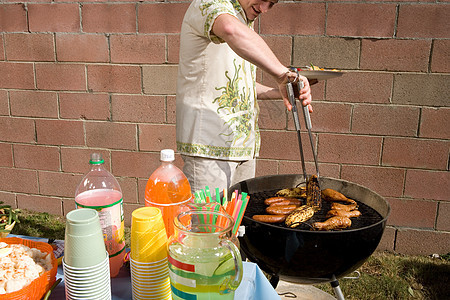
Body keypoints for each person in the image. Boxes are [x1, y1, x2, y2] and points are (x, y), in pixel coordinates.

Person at [176, 0, 312, 194]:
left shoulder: (243, 17)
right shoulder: (210, 4)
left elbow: (240, 84)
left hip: (244, 150)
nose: (264, 9)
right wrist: (283, 74)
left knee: (241, 223)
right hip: (209, 149)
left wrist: (282, 90)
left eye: (271, 4)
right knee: (210, 223)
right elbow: (229, 28)